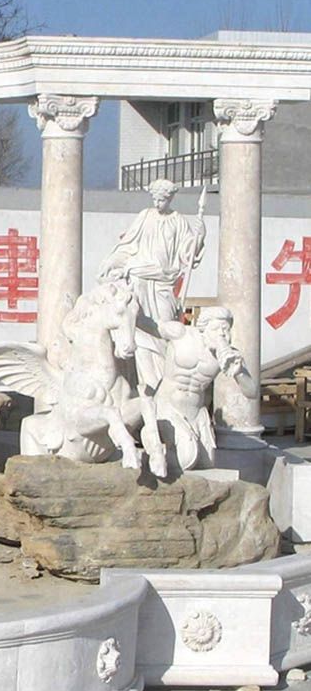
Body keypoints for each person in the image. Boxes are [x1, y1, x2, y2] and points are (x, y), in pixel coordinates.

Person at [98, 178, 205, 388]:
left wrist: (198, 237)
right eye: (155, 198)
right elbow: (128, 245)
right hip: (139, 280)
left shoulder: (178, 221)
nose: (158, 203)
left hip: (163, 283)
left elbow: (187, 253)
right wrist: (112, 263)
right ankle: (147, 385)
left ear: (170, 198)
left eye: (162, 199)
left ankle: (165, 385)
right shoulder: (145, 216)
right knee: (138, 330)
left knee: (165, 329)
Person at [151, 307, 256, 471]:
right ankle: (155, 453)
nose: (221, 334)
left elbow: (252, 392)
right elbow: (149, 326)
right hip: (168, 405)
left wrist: (240, 372)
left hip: (196, 412)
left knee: (206, 463)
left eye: (226, 329)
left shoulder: (228, 356)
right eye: (216, 329)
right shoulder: (182, 334)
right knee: (186, 459)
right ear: (204, 329)